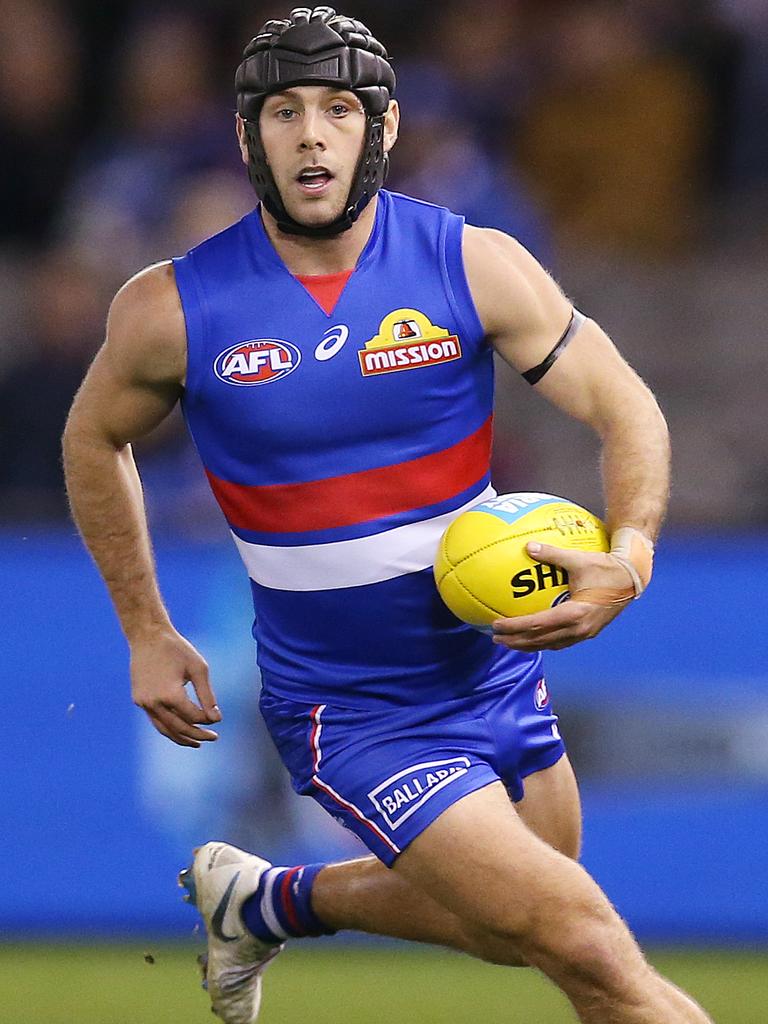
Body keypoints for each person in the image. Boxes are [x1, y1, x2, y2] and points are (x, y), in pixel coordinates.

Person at [62, 8, 713, 1024]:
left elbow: (623, 401)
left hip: (492, 667)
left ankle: (268, 899)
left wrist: (629, 550)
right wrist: (145, 627)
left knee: (522, 918)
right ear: (247, 138)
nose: (312, 133)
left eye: (337, 108)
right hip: (351, 709)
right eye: (284, 111)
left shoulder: (471, 262)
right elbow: (91, 439)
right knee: (587, 941)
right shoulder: (175, 308)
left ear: (386, 127)